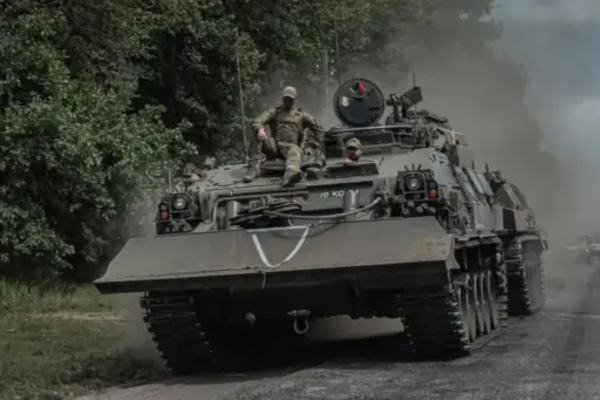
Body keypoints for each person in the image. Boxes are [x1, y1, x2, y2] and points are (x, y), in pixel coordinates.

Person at [246, 86, 324, 186]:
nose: (288, 101)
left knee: (294, 151)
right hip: (274, 147)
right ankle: (254, 169)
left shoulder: (302, 116)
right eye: (286, 99)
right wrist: (260, 129)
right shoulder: (274, 113)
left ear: (295, 99)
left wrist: (311, 146)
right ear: (282, 99)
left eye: (290, 99)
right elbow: (257, 121)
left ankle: (291, 174)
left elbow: (319, 130)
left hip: (292, 148)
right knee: (256, 133)